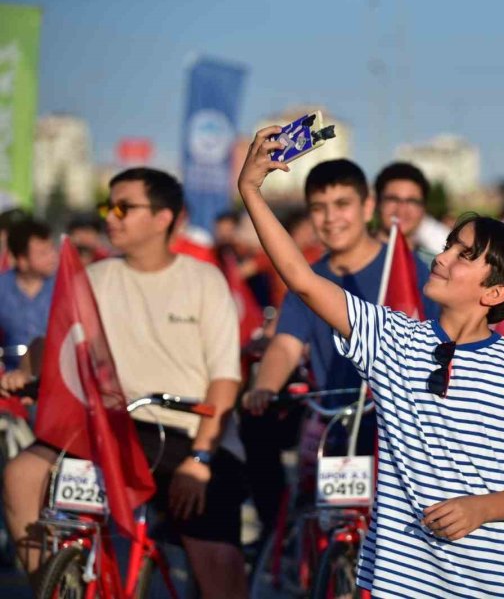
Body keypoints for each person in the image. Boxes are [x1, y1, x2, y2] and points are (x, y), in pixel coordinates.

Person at [238, 127, 504, 597]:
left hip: (497, 584)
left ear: (493, 293)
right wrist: (251, 191)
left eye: (463, 255)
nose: (442, 258)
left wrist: (482, 508)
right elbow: (302, 280)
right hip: (400, 583)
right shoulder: (392, 338)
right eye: (448, 246)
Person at [1, 168, 248, 598]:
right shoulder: (92, 279)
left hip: (187, 434)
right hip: (106, 429)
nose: (110, 218)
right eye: (107, 207)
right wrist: (31, 372)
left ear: (163, 217)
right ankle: (56, 586)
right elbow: (53, 341)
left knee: (217, 562)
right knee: (22, 475)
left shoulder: (205, 280)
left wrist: (201, 459)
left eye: (123, 208)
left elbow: (225, 379)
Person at [240, 158, 438, 534]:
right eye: (319, 208)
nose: (331, 218)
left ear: (367, 207)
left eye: (342, 205)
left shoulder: (410, 272)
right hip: (333, 424)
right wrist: (264, 387)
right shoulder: (309, 281)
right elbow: (285, 344)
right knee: (329, 530)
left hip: (398, 430)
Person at [0, 218, 57, 369]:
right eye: (43, 253)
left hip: (53, 376)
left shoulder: (63, 287)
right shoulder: (3, 288)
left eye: (52, 249)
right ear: (22, 260)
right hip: (10, 379)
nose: (52, 257)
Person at [373, 161, 437, 263]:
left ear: (423, 209)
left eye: (412, 201)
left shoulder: (435, 268)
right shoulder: (348, 259)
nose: (402, 210)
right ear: (376, 203)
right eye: (393, 199)